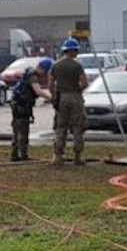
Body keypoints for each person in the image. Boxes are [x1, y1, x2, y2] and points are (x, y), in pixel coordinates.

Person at [48, 37, 89, 166]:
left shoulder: (56, 65)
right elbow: (84, 83)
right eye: (76, 50)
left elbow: (50, 84)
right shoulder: (77, 65)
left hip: (61, 97)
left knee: (61, 127)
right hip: (75, 97)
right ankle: (77, 156)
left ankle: (58, 156)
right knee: (78, 127)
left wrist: (54, 96)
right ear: (72, 51)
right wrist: (77, 90)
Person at [10, 58, 53, 161]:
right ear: (44, 69)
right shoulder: (33, 77)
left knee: (16, 131)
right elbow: (38, 91)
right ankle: (23, 155)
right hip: (22, 107)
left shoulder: (28, 74)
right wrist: (50, 97)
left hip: (16, 105)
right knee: (23, 132)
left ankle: (15, 154)